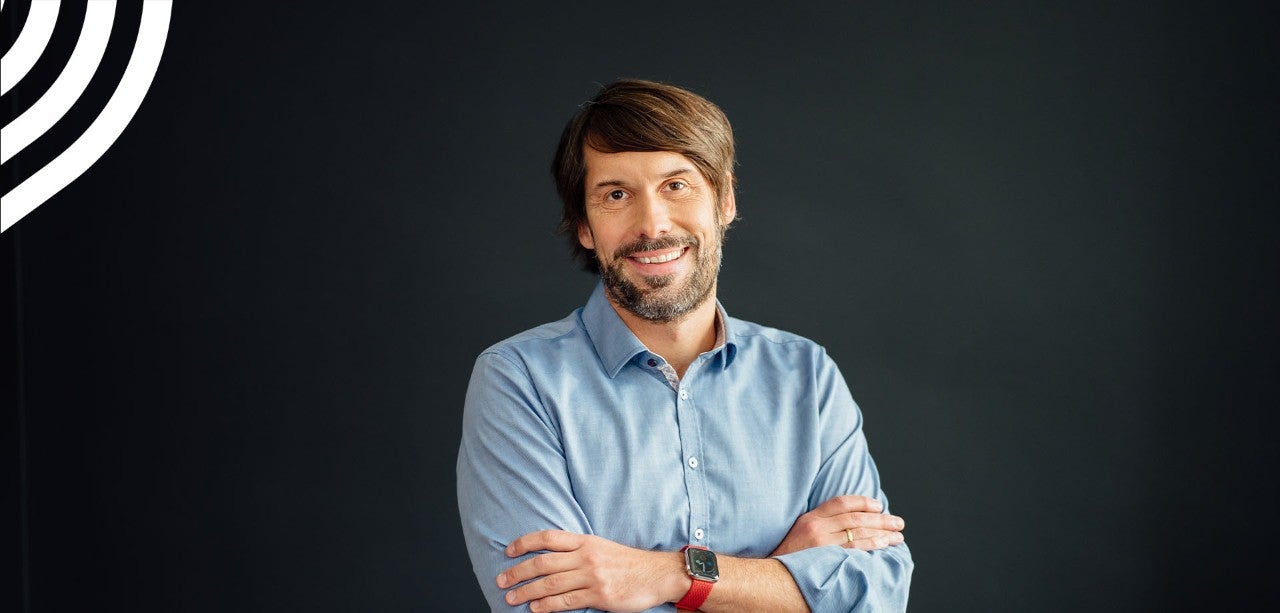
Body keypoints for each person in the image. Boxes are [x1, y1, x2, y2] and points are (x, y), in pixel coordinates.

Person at [456, 79, 913, 612]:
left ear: (725, 200)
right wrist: (782, 575)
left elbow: (876, 597)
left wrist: (670, 576)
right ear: (584, 225)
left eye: (676, 185)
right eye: (616, 195)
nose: (652, 224)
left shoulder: (806, 375)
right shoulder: (518, 381)